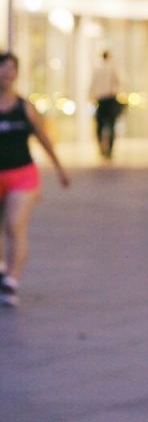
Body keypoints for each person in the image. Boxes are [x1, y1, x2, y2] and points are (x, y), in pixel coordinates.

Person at [0, 51, 70, 307]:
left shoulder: (25, 107)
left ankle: (11, 281)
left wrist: (59, 168)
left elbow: (43, 137)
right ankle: (2, 267)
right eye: (3, 67)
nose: (7, 73)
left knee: (14, 225)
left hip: (22, 175)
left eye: (12, 68)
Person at [89, 50, 121, 160]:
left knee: (100, 125)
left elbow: (92, 85)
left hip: (101, 100)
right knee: (111, 125)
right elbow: (118, 82)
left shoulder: (97, 70)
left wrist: (91, 96)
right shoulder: (112, 69)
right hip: (110, 99)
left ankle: (101, 149)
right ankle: (109, 150)